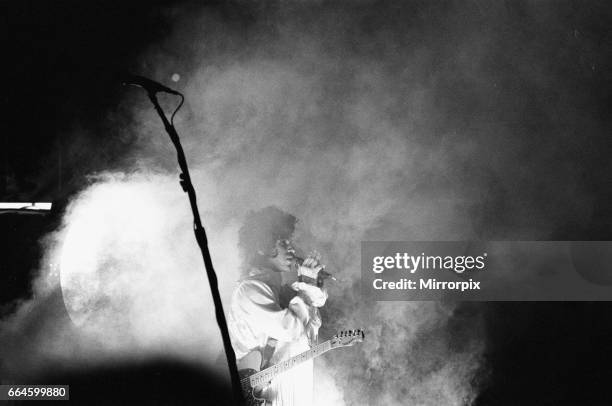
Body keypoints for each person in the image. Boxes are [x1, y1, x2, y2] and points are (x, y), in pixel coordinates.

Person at [228, 206, 328, 406]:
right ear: (262, 247)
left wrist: (311, 283)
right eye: (283, 242)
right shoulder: (249, 290)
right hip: (269, 393)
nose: (291, 249)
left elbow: (310, 322)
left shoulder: (279, 291)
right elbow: (290, 329)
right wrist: (306, 286)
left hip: (292, 385)